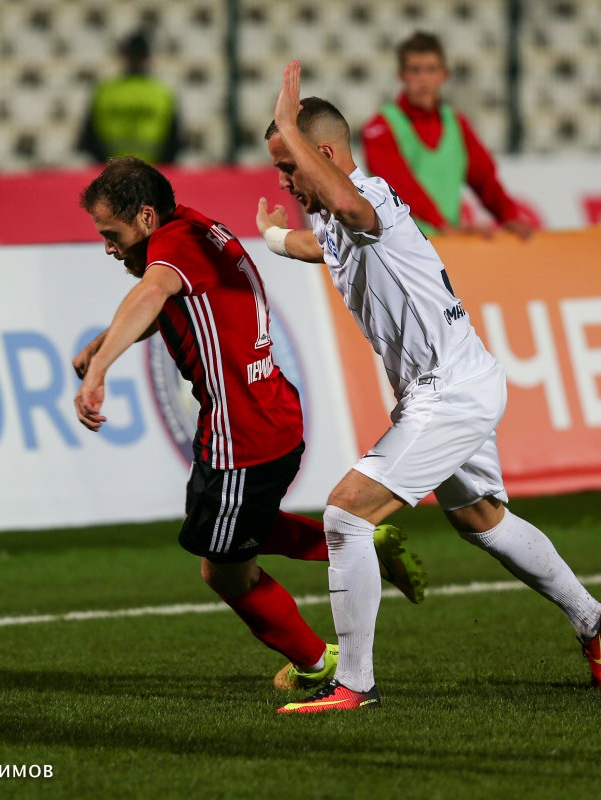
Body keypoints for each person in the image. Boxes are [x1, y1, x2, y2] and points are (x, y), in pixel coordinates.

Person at [257, 62, 601, 715]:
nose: (285, 183)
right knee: (480, 520)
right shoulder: (336, 218)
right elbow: (322, 245)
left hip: (450, 390)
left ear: (325, 155)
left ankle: (355, 685)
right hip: (454, 382)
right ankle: (595, 621)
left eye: (289, 166)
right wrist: (271, 237)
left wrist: (288, 123)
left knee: (345, 515)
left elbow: (350, 211)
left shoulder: (368, 199)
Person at [72, 157, 426, 694]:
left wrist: (99, 369)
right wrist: (102, 346)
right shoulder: (195, 227)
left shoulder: (173, 248)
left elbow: (151, 294)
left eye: (111, 235)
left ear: (145, 217)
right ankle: (358, 540)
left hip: (243, 434)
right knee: (221, 525)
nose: (108, 248)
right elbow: (170, 304)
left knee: (223, 568)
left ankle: (317, 661)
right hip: (264, 414)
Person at [361, 32, 533, 238]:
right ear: (402, 75)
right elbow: (397, 186)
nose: (423, 78)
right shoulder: (380, 127)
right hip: (398, 244)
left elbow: (485, 180)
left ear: (444, 74)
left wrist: (510, 216)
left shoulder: (457, 124)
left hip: (446, 242)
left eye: (431, 69)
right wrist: (442, 225)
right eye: (415, 70)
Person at [77, 31, 180, 165]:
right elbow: (174, 145)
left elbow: (88, 142)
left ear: (125, 56)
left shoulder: (105, 92)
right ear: (147, 57)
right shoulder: (162, 93)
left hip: (112, 172)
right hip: (150, 171)